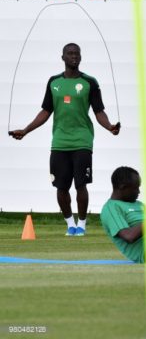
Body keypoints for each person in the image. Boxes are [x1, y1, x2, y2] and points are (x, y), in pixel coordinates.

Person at [9, 43, 120, 236]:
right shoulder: (54, 82)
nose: (74, 56)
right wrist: (26, 130)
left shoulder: (89, 82)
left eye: (77, 54)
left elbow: (99, 111)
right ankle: (70, 224)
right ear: (63, 58)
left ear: (81, 57)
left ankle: (82, 225)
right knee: (61, 186)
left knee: (80, 185)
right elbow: (45, 111)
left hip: (82, 140)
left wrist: (110, 127)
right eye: (70, 54)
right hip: (59, 142)